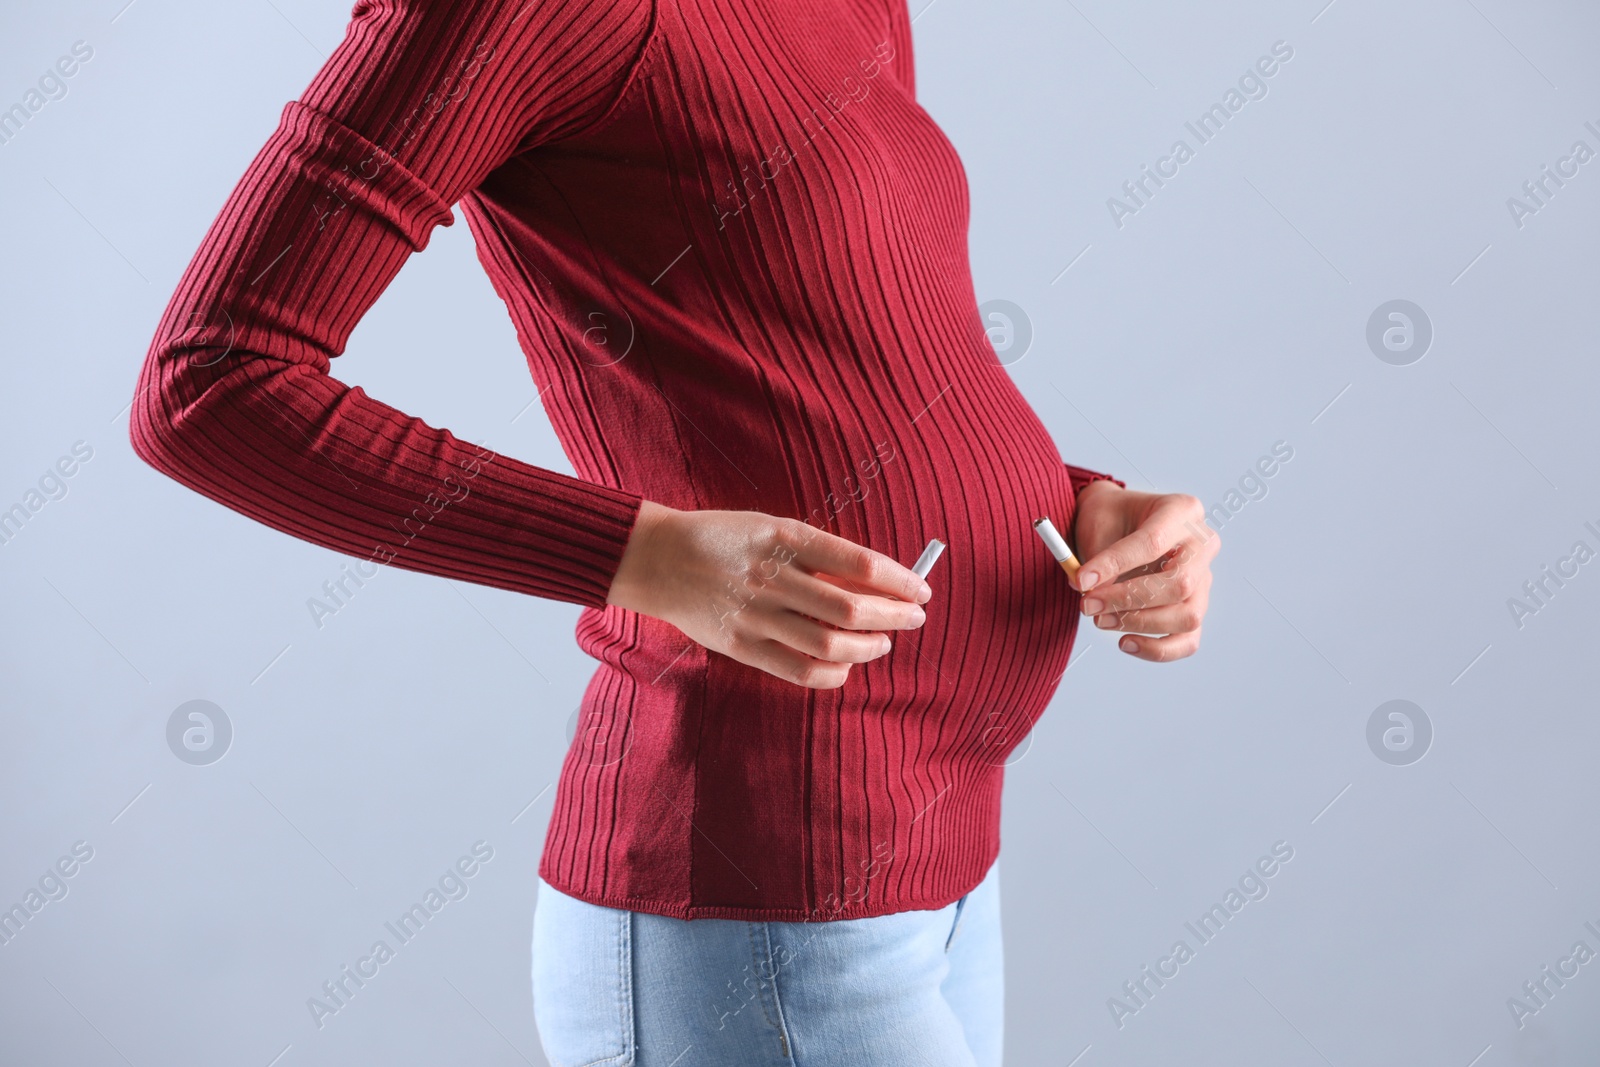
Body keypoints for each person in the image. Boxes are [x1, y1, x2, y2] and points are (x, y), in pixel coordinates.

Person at [130, 1, 1218, 1063]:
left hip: (936, 850)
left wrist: (1067, 501)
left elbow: (842, 345)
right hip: (757, 891)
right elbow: (209, 381)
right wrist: (647, 557)